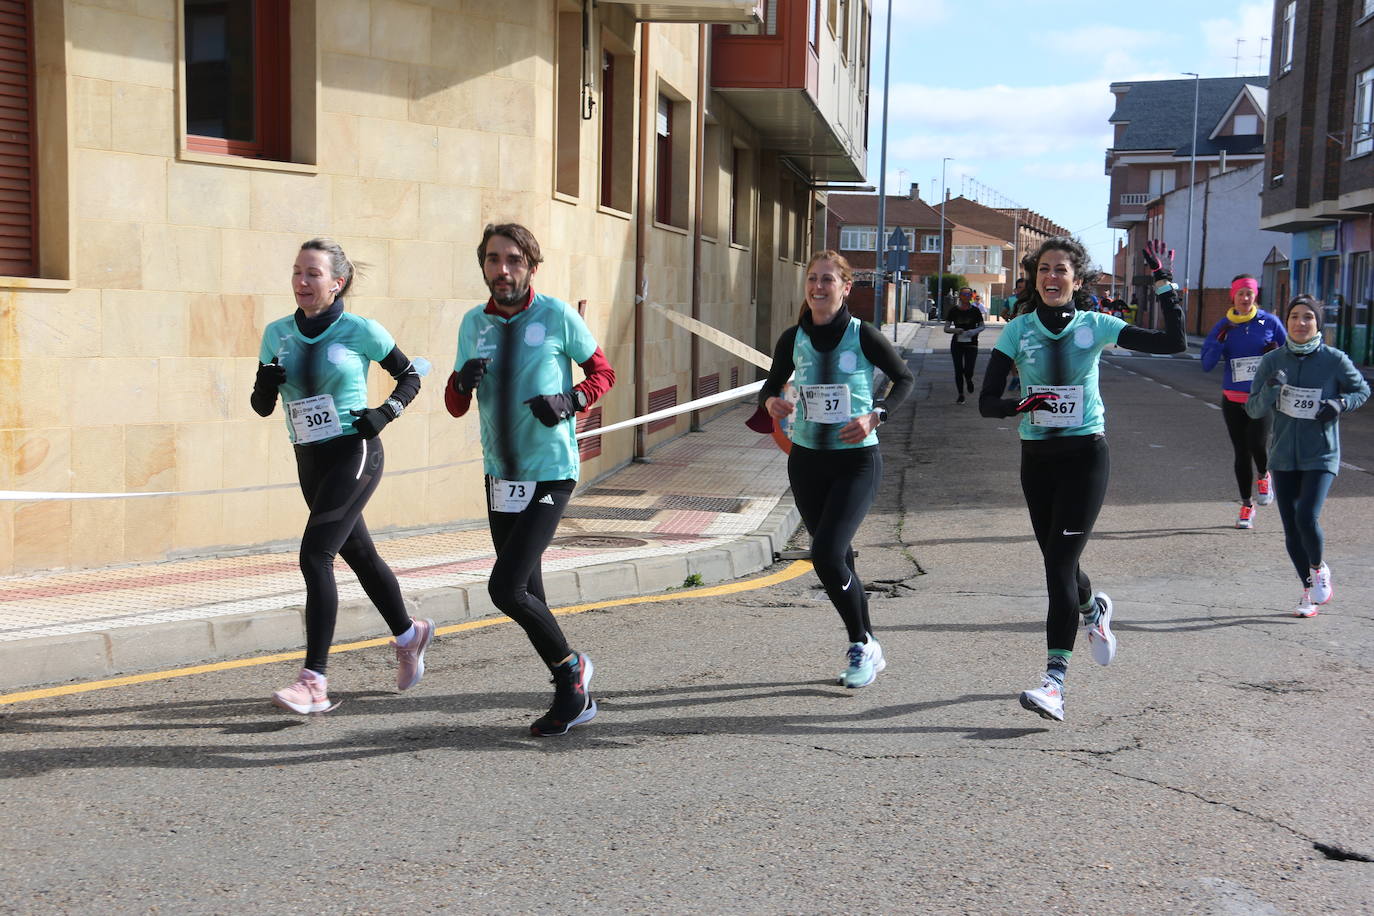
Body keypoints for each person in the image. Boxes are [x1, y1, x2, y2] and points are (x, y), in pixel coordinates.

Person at [978, 237, 1186, 722]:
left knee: (1057, 568)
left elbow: (1172, 342)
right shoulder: (1018, 332)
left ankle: (1055, 683)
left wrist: (1164, 284)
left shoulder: (1096, 325)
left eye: (1062, 270)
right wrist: (1019, 406)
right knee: (1059, 560)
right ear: (1035, 278)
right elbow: (987, 402)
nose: (1052, 278)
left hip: (1086, 457)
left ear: (1076, 279)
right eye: (1044, 270)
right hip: (1038, 459)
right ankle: (1093, 609)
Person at [446, 223, 616, 736]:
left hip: (551, 472)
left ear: (531, 267)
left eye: (514, 260)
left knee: (505, 588)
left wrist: (570, 401)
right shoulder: (472, 324)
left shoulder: (557, 315)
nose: (503, 270)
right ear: (483, 267)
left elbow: (603, 374)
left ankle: (572, 673)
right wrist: (461, 382)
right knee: (529, 593)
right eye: (494, 260)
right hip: (501, 475)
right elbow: (454, 406)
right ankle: (573, 696)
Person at [253, 238, 431, 714]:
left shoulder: (360, 329)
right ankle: (410, 635)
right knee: (361, 555)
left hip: (355, 451)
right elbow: (261, 406)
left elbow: (410, 376)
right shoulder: (276, 334)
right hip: (309, 460)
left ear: (338, 282)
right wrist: (265, 384)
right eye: (296, 272)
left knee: (316, 555)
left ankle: (314, 681)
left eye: (313, 274)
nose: (302, 282)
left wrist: (385, 413)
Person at [756, 250, 914, 688]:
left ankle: (861, 643)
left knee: (825, 554)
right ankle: (868, 644)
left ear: (846, 288)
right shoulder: (793, 338)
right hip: (806, 460)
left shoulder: (864, 336)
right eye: (812, 279)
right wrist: (772, 401)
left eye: (828, 280)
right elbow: (771, 384)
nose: (818, 287)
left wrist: (876, 415)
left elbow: (904, 379)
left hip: (856, 461)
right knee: (838, 557)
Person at [1245, 295, 1368, 617]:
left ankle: (1318, 568)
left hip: (1322, 454)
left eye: (1307, 317)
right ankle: (1308, 591)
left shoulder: (1334, 359)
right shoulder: (1272, 361)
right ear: (1286, 322)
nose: (1300, 323)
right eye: (1294, 317)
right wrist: (1271, 388)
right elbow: (1253, 408)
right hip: (1284, 455)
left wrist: (1340, 404)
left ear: (1318, 323)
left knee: (1306, 517)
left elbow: (1361, 391)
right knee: (1291, 528)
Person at [1200, 274, 1286, 529]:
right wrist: (1219, 342)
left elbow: (1289, 351)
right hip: (1232, 399)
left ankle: (1263, 474)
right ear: (1233, 296)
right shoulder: (1224, 326)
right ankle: (1246, 505)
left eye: (1249, 293)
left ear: (1255, 295)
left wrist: (1276, 355)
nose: (1245, 298)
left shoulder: (1269, 322)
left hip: (1261, 398)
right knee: (1241, 452)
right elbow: (1206, 364)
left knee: (1258, 445)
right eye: (1241, 294)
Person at [945, 287, 986, 403]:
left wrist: (973, 332)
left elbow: (982, 326)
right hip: (957, 343)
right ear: (960, 296)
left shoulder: (975, 311)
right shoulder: (954, 310)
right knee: (958, 369)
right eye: (964, 294)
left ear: (971, 297)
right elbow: (946, 328)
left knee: (969, 369)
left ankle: (968, 379)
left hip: (972, 343)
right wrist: (956, 330)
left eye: (969, 295)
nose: (966, 297)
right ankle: (961, 394)